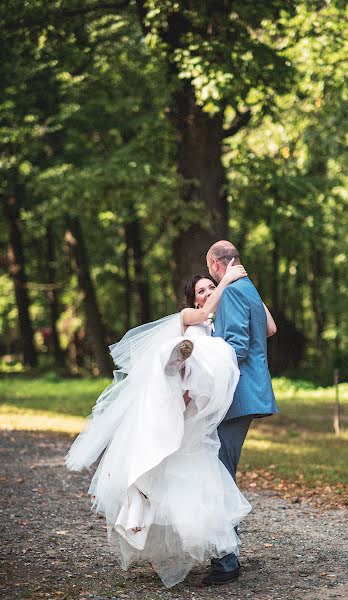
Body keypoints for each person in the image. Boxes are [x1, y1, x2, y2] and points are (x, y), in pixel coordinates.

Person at [65, 261, 259, 588]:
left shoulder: (218, 326)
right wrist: (226, 280)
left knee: (192, 477)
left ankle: (222, 554)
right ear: (194, 299)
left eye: (210, 287)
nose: (209, 291)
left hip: (199, 403)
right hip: (178, 391)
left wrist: (249, 290)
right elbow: (201, 315)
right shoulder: (189, 316)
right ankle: (177, 362)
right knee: (179, 353)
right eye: (203, 290)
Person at [202, 240, 278, 586]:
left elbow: (236, 348)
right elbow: (270, 329)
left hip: (235, 397)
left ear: (217, 265)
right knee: (220, 472)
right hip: (248, 396)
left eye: (210, 271)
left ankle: (226, 561)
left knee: (219, 476)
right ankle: (225, 553)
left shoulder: (231, 291)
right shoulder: (248, 287)